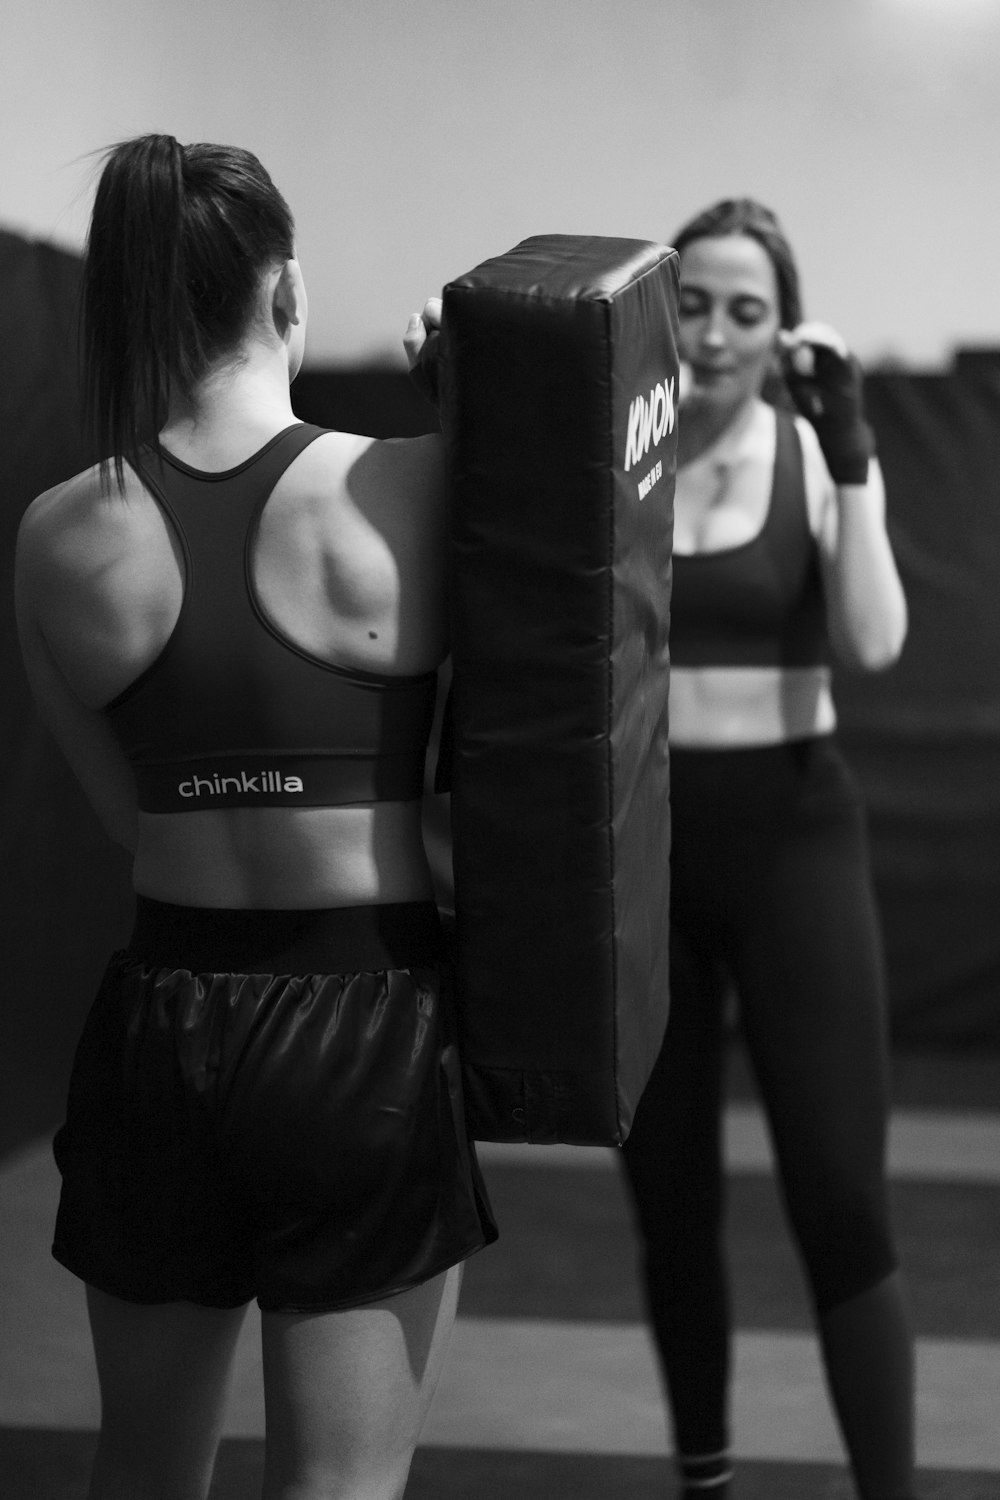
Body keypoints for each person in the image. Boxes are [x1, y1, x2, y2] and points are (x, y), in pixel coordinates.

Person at [14, 133, 496, 1500]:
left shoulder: (55, 533)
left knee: (143, 1475)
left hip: (161, 1025)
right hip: (361, 1024)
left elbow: (126, 815)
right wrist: (476, 412)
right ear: (286, 296)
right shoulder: (409, 486)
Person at [620, 199, 915, 1500]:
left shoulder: (813, 452)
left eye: (748, 309)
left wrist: (850, 456)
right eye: (694, 304)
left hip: (795, 839)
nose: (718, 331)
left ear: (783, 329)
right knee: (670, 1198)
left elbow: (879, 640)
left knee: (842, 1194)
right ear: (659, 315)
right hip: (650, 852)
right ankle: (707, 1483)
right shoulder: (610, 465)